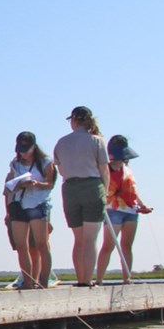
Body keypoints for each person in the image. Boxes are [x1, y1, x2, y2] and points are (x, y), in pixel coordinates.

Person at [52, 106, 109, 287]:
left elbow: (61, 170)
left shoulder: (61, 142)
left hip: (70, 189)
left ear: (74, 120)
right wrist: (105, 192)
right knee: (90, 238)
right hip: (92, 186)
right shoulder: (97, 141)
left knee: (78, 239)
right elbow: (104, 170)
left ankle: (80, 279)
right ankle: (87, 280)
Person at [3, 131, 56, 290]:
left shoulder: (45, 162)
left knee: (41, 244)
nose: (23, 153)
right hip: (18, 204)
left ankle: (43, 282)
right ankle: (27, 282)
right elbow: (8, 186)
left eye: (26, 149)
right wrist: (17, 185)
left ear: (34, 147)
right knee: (21, 245)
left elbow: (50, 184)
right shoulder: (15, 163)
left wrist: (35, 184)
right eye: (20, 150)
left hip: (37, 204)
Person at [96, 135, 152, 285]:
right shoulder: (104, 168)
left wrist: (142, 205)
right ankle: (99, 280)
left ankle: (127, 278)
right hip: (112, 209)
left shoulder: (127, 167)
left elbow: (132, 190)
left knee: (127, 245)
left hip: (131, 210)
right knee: (108, 245)